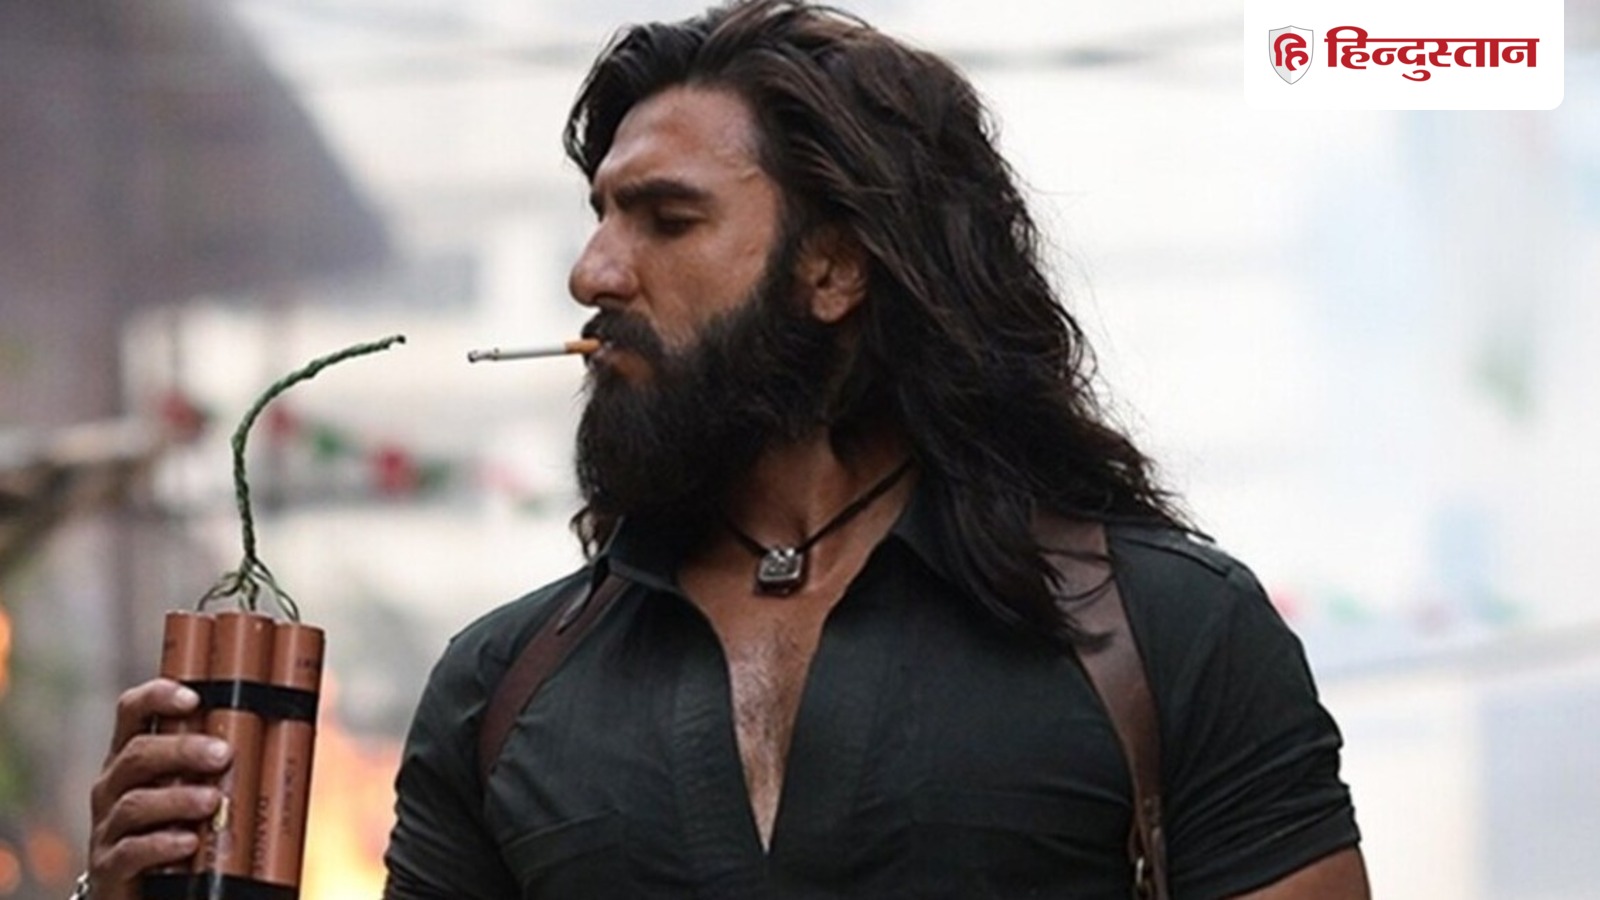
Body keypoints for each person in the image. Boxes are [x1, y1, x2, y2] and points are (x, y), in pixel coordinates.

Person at [84, 1, 1368, 897]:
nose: (594, 272)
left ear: (834, 267)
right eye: (600, 216)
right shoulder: (504, 685)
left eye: (667, 218)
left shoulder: (1158, 635)